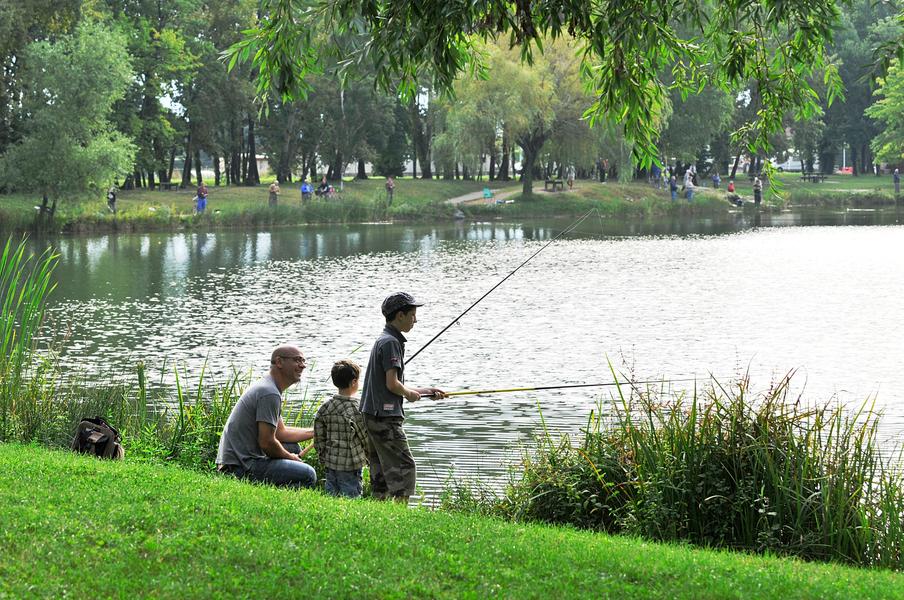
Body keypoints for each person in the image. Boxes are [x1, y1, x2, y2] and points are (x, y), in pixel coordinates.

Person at [359, 292, 446, 503]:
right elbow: (393, 384)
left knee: (380, 468)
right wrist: (409, 394)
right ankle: (400, 511)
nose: (415, 320)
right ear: (400, 315)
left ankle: (379, 507)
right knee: (404, 466)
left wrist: (426, 391)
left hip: (372, 414)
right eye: (412, 315)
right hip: (385, 416)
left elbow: (390, 385)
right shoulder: (391, 342)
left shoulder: (384, 339)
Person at [216, 345, 317, 488]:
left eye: (303, 361)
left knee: (293, 447)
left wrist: (316, 432)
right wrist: (290, 458)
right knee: (308, 474)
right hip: (240, 467)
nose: (303, 365)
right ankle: (280, 498)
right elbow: (267, 443)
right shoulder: (269, 393)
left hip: (237, 462)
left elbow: (280, 433)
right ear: (279, 362)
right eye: (297, 360)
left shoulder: (269, 387)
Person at [314, 360, 370, 498]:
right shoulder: (356, 408)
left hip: (331, 462)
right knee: (351, 495)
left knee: (331, 493)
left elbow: (319, 437)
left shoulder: (325, 407)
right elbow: (365, 436)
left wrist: (323, 456)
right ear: (354, 382)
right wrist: (370, 456)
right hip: (351, 464)